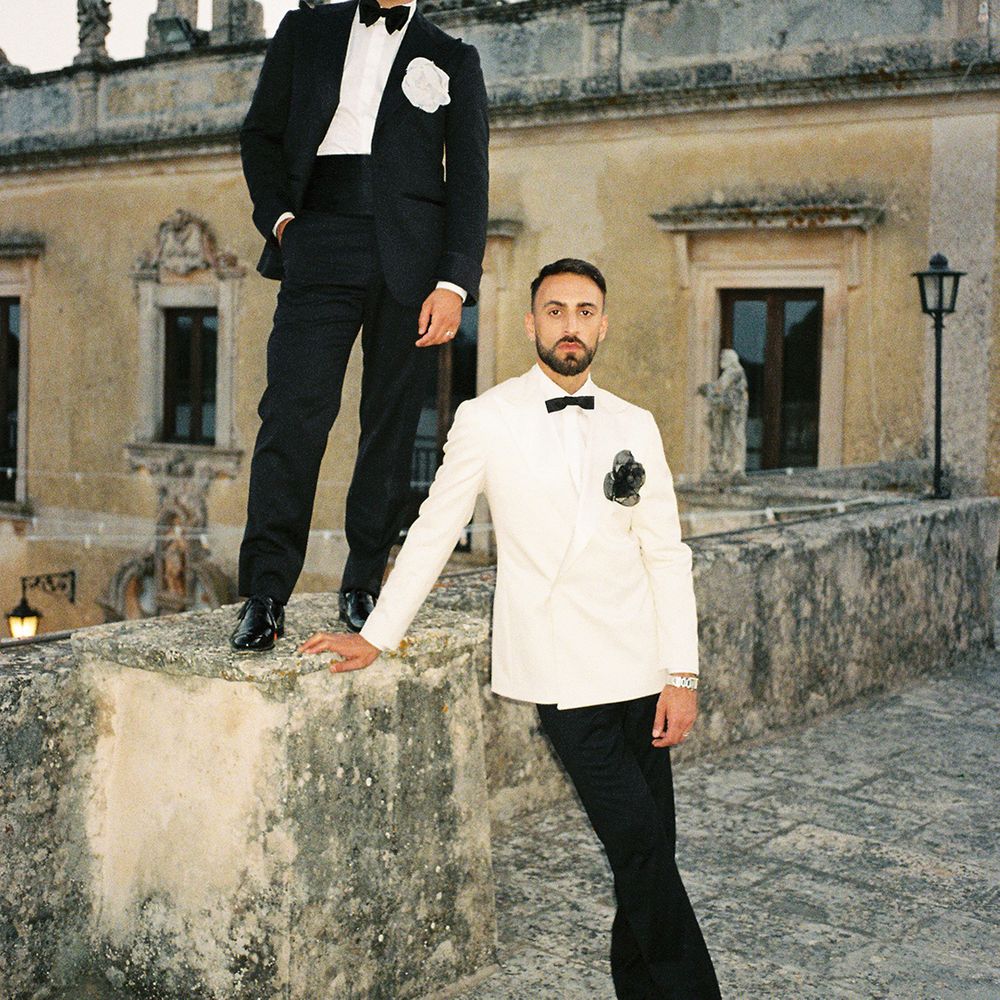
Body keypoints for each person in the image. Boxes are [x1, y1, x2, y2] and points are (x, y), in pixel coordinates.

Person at [299, 258, 722, 999]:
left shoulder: (636, 423)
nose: (570, 325)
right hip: (562, 674)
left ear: (603, 324)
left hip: (642, 667)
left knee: (648, 853)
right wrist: (379, 633)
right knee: (641, 848)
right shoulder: (487, 417)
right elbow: (435, 529)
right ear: (531, 324)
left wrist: (681, 676)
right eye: (555, 311)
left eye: (585, 311)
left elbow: (666, 554)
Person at [231, 0, 489, 651]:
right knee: (293, 413)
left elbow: (470, 181)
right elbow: (260, 133)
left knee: (391, 423)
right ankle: (264, 593)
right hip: (318, 237)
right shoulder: (305, 32)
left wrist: (455, 283)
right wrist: (282, 220)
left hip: (413, 257)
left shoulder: (455, 58)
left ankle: (364, 582)